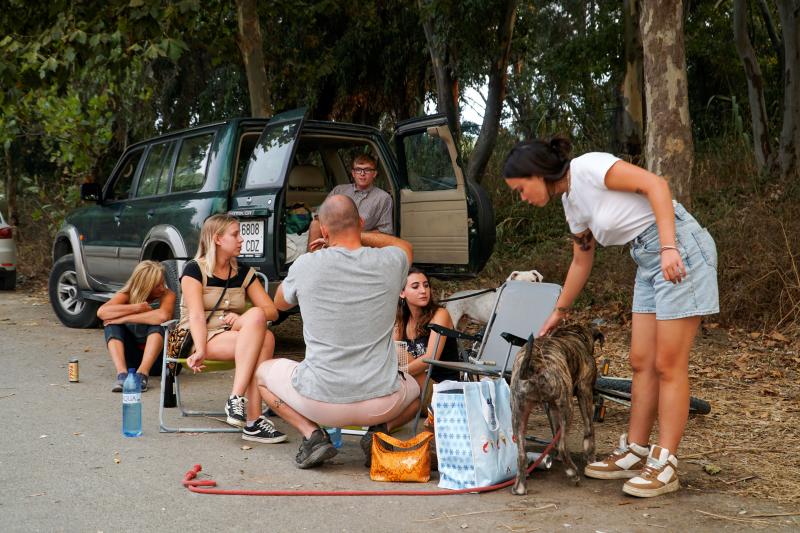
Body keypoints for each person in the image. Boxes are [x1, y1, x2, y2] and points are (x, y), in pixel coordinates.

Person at [503, 138, 718, 498]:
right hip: (646, 260)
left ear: (537, 174)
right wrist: (559, 311)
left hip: (676, 247)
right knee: (640, 361)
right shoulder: (571, 205)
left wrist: (669, 247)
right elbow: (581, 260)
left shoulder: (589, 168)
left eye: (521, 189)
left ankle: (665, 462)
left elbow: (656, 186)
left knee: (668, 363)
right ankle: (636, 450)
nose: (522, 197)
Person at [256, 195, 419, 469]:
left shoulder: (306, 264)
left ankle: (313, 435)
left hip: (319, 402)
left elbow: (279, 303)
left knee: (262, 374)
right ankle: (378, 433)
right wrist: (362, 235)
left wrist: (313, 257)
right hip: (381, 402)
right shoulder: (390, 261)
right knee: (416, 390)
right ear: (361, 223)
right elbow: (404, 246)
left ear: (324, 231)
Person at [180, 214, 286, 444]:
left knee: (263, 329)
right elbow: (196, 315)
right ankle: (252, 418)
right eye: (235, 234)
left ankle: (238, 402)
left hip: (234, 335)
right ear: (217, 239)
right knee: (264, 338)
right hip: (199, 336)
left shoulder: (243, 272)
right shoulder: (194, 270)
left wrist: (241, 320)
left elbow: (272, 311)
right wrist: (200, 349)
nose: (242, 239)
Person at [98, 260, 176, 393]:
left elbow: (162, 316)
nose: (162, 288)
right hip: (132, 361)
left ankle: (142, 375)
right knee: (111, 327)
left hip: (160, 362)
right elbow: (102, 312)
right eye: (157, 285)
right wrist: (136, 308)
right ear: (145, 285)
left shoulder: (167, 295)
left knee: (158, 325)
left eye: (163, 283)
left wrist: (124, 318)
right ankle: (122, 375)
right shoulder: (127, 295)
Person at [306, 154, 393, 251]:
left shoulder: (383, 198)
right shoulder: (339, 190)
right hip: (333, 235)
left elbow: (385, 232)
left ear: (375, 173)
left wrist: (356, 235)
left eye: (367, 170)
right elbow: (319, 215)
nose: (362, 173)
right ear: (353, 173)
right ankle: (311, 260)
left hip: (360, 241)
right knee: (315, 224)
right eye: (358, 169)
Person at [393, 267, 461, 391]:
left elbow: (430, 358)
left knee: (397, 350)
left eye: (426, 285)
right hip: (412, 385)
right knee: (393, 348)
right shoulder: (402, 320)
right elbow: (388, 353)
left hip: (440, 389)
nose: (423, 291)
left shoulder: (440, 314)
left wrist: (398, 373)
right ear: (402, 293)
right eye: (415, 287)